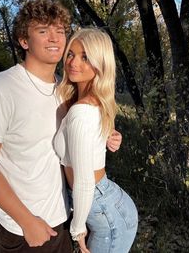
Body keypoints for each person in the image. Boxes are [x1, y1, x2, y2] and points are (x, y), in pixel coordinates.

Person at [0, 0, 122, 252]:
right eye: (43, 31)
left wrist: (105, 135)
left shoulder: (64, 89)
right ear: (24, 40)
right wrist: (26, 221)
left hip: (60, 219)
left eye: (60, 31)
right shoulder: (1, 88)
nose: (54, 38)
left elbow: (75, 134)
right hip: (19, 230)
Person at [54, 28, 138, 253]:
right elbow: (97, 138)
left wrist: (77, 232)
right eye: (70, 54)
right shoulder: (86, 101)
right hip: (103, 203)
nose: (73, 62)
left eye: (85, 57)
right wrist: (111, 138)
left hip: (103, 210)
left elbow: (83, 181)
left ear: (100, 63)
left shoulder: (82, 110)